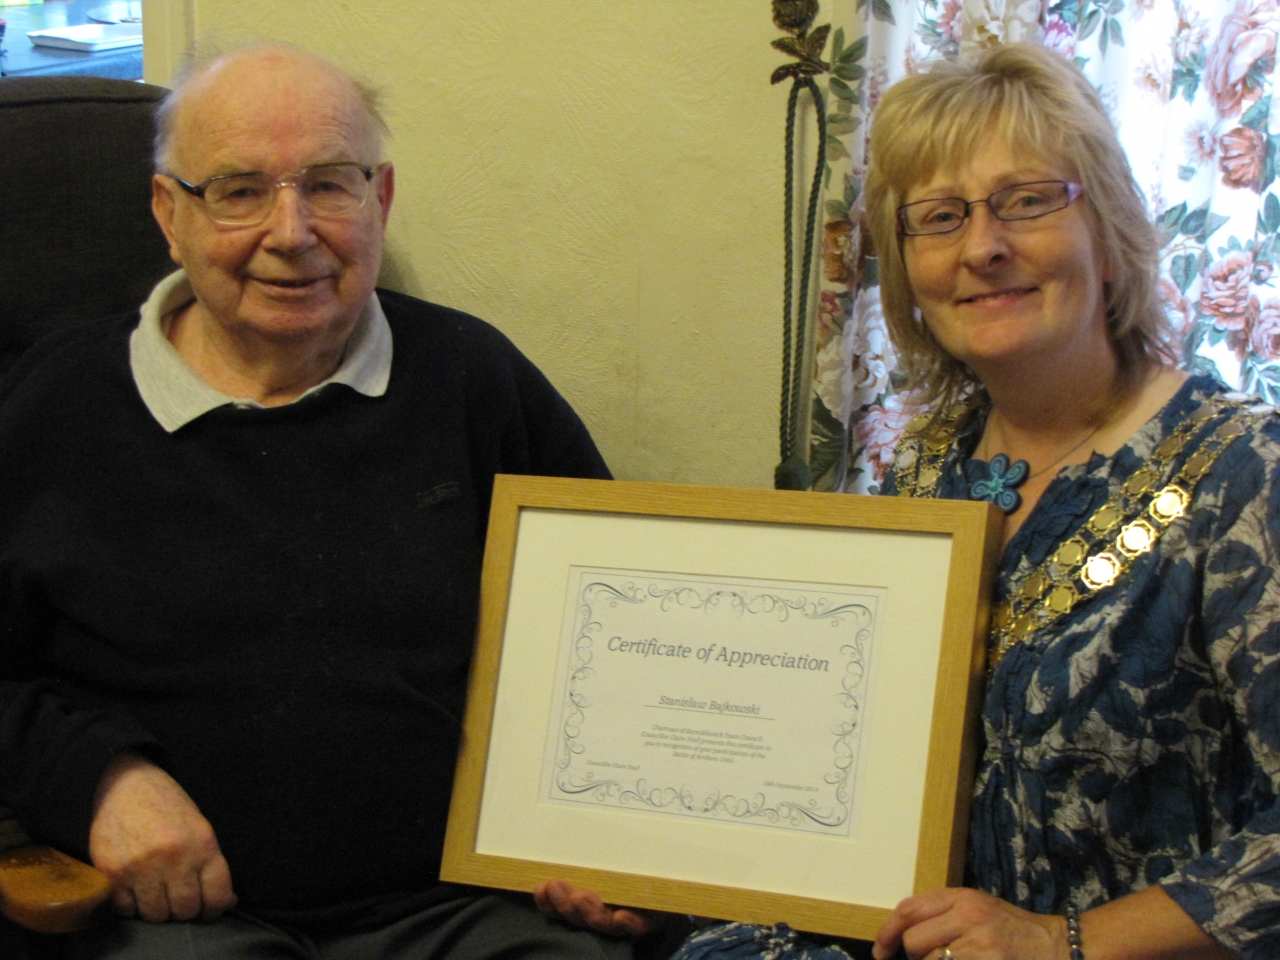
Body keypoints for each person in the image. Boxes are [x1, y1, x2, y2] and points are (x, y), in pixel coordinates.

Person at [542, 43, 1280, 960]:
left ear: (1109, 227)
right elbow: (844, 772)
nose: (983, 247)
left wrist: (1065, 942)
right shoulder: (926, 467)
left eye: (1026, 200)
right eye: (939, 217)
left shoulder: (1244, 473)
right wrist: (679, 880)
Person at [0, 41, 640, 960]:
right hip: (176, 921)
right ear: (170, 213)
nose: (291, 231)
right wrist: (95, 780)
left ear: (381, 200)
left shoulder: (474, 380)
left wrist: (625, 842)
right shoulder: (55, 404)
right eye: (239, 191)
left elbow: (618, 630)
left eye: (330, 185)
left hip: (462, 906)